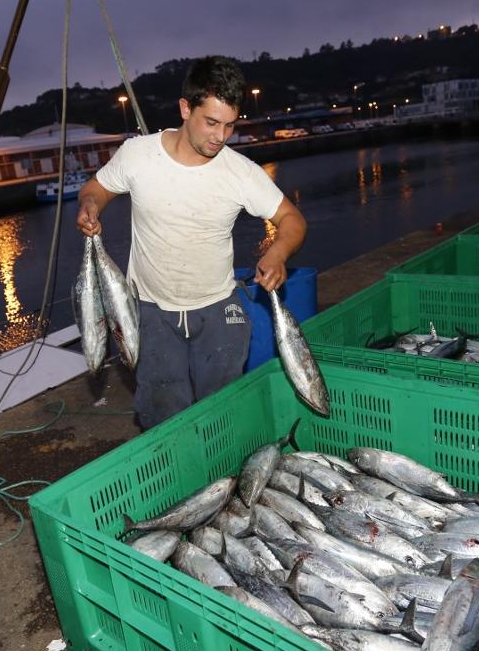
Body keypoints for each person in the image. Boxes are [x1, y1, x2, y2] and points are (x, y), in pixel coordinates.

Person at [76, 55, 307, 429]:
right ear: (185, 108)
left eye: (230, 125)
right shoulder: (138, 155)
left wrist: (279, 252)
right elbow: (97, 188)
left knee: (223, 415)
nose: (220, 137)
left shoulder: (240, 172)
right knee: (164, 418)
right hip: (150, 311)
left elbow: (291, 220)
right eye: (211, 122)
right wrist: (89, 204)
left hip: (218, 310)